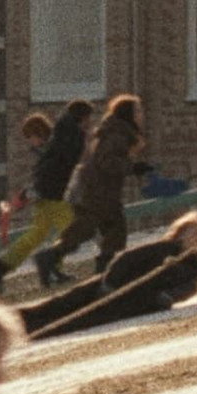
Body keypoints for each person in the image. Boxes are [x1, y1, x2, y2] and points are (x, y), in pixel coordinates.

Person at [19, 215, 197, 339]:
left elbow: (189, 288)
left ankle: (39, 332)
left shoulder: (193, 267)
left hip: (133, 304)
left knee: (83, 320)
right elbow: (125, 259)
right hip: (110, 285)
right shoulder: (162, 248)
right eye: (191, 233)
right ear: (180, 233)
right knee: (63, 303)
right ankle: (19, 320)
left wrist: (166, 298)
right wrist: (110, 283)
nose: (194, 239)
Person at [0, 99, 92, 292]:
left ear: (39, 133)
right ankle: (52, 268)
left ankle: (2, 265)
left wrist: (29, 192)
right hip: (52, 195)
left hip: (47, 194)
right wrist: (31, 191)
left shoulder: (57, 140)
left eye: (30, 137)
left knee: (39, 233)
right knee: (70, 231)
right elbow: (51, 171)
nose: (30, 141)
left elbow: (45, 172)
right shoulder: (65, 138)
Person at [50, 94, 146, 277]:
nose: (142, 115)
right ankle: (103, 271)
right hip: (99, 191)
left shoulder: (118, 131)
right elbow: (106, 161)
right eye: (138, 111)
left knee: (103, 230)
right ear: (129, 113)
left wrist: (134, 167)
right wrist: (132, 167)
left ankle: (101, 270)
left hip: (100, 190)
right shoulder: (118, 133)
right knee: (106, 230)